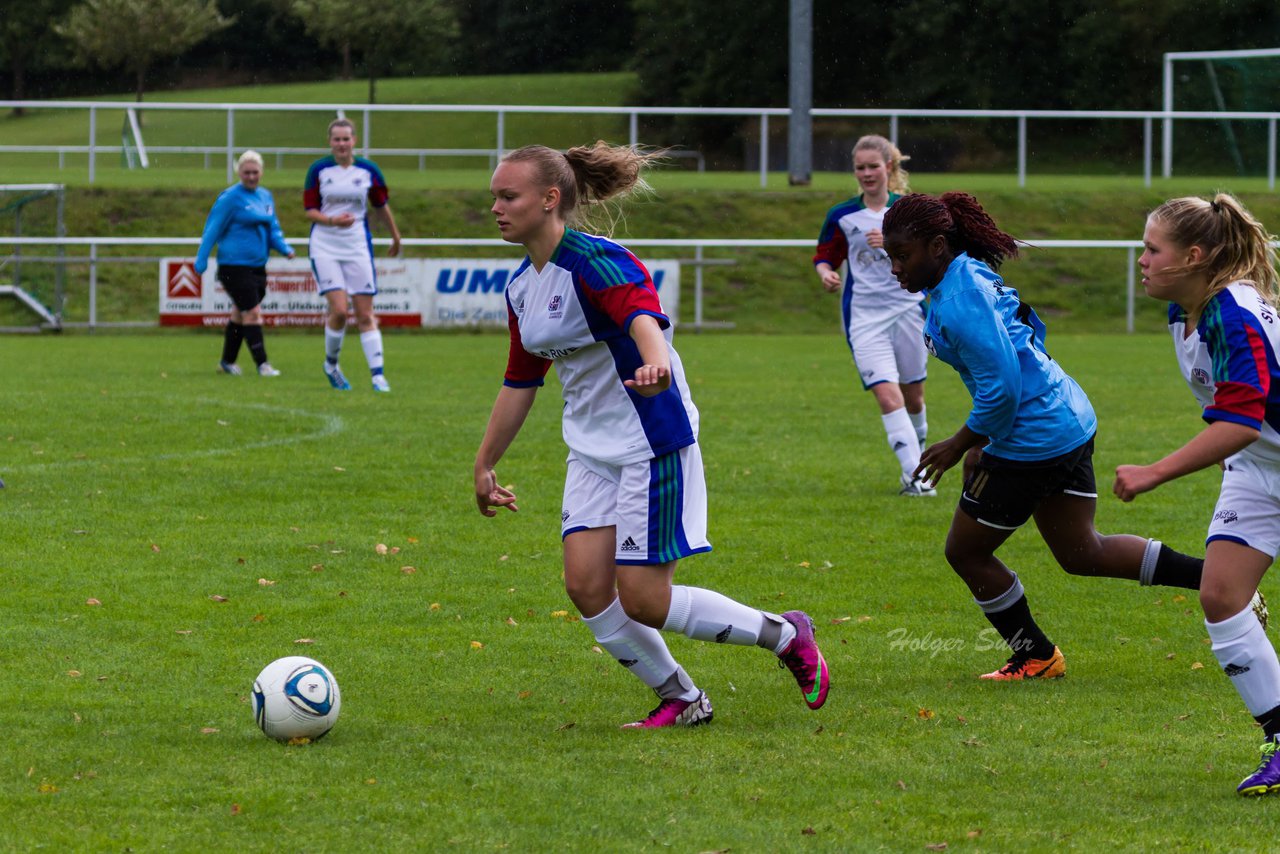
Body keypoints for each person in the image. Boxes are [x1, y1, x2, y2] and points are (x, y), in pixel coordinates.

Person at [474, 142, 829, 728]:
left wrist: (654, 361)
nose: (497, 207)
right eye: (495, 196)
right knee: (587, 586)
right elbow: (520, 380)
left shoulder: (596, 261)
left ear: (549, 200)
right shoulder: (522, 287)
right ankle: (682, 698)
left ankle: (786, 634)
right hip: (591, 450)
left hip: (650, 440)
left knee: (644, 599)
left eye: (508, 196)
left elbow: (642, 313)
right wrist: (485, 464)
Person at [880, 191, 1249, 682]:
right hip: (1066, 417)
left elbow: (1003, 389)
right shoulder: (963, 274)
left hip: (1032, 437)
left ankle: (1034, 654)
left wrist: (961, 444)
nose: (895, 268)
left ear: (939, 246)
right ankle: (1218, 579)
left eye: (902, 256)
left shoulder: (961, 296)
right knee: (1082, 552)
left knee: (965, 552)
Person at [1114, 193, 1280, 796]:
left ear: (1193, 255)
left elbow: (1239, 417)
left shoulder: (1232, 312)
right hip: (1259, 468)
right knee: (1221, 595)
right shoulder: (1186, 308)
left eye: (1151, 250)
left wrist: (1155, 471)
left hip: (1259, 453)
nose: (1141, 260)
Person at [813, 135, 933, 496]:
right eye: (860, 168)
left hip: (909, 310)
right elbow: (824, 256)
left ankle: (920, 459)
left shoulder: (909, 210)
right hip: (864, 317)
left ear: (889, 168)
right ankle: (917, 478)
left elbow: (931, 256)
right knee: (886, 395)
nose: (867, 173)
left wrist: (895, 243)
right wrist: (826, 273)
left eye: (873, 166)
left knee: (913, 397)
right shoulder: (843, 215)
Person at [303, 118, 402, 392]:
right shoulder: (319, 170)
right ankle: (331, 364)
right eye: (337, 139)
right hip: (325, 245)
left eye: (346, 139)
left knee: (365, 314)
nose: (342, 144)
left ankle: (378, 376)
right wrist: (333, 221)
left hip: (358, 246)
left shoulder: (368, 171)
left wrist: (395, 235)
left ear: (354, 141)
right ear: (330, 142)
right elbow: (309, 210)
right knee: (339, 310)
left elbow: (381, 205)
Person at [195, 149, 294, 377]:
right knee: (253, 312)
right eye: (246, 172)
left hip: (257, 266)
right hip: (234, 266)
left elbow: (273, 228)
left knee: (240, 313)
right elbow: (213, 228)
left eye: (255, 172)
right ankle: (263, 365)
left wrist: (284, 248)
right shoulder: (230, 198)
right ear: (239, 172)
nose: (251, 176)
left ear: (262, 172)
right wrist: (201, 258)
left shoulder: (265, 196)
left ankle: (227, 362)